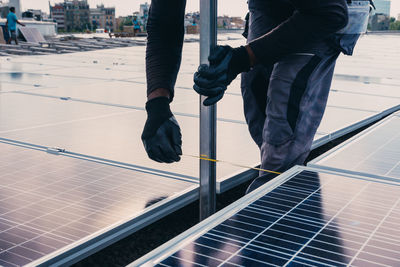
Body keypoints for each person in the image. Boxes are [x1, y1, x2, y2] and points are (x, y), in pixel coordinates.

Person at [142, 0, 363, 192]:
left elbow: (329, 14)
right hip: (268, 5)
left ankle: (274, 209)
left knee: (283, 119)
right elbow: (164, 23)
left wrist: (241, 59)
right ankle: (282, 178)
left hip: (327, 10)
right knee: (256, 98)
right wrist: (157, 103)